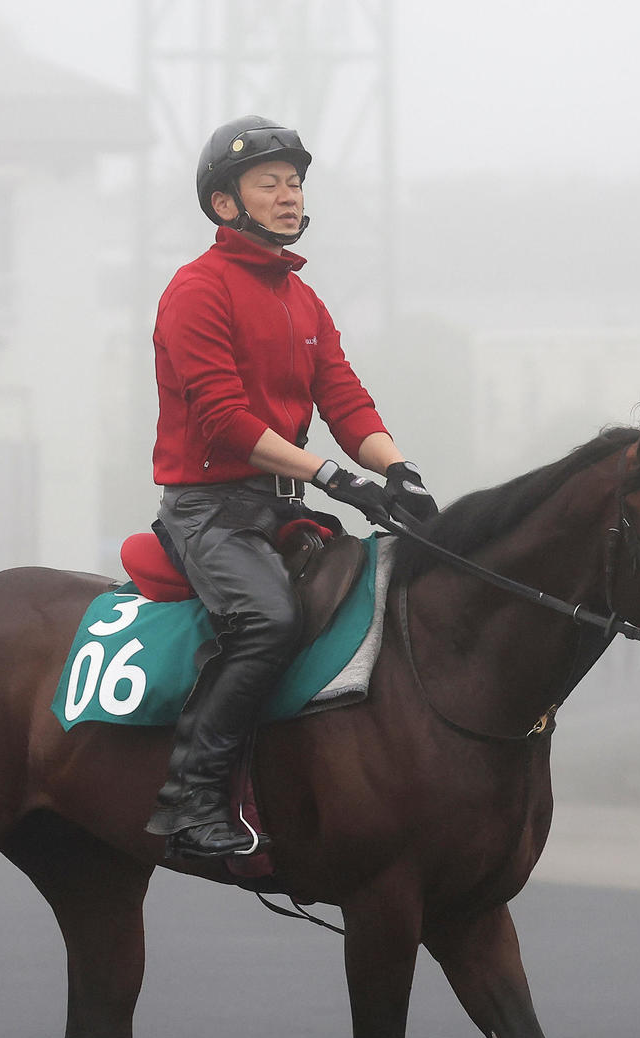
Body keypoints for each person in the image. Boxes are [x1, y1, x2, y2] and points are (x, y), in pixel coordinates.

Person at [145, 114, 438, 860]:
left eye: (296, 181)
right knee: (270, 621)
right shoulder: (195, 290)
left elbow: (344, 400)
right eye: (269, 182)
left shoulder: (304, 302)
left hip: (283, 511)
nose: (288, 194)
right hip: (207, 512)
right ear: (224, 204)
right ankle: (191, 800)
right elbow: (224, 418)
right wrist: (332, 476)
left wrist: (397, 469)